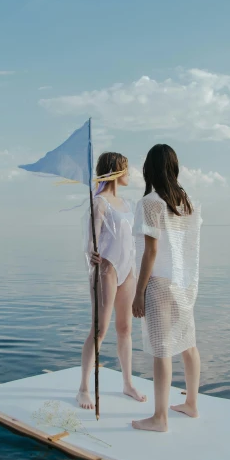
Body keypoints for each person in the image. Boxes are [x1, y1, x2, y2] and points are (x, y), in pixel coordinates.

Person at [132, 144, 202, 432]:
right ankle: (191, 405)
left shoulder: (150, 203)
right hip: (183, 283)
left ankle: (160, 417)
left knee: (161, 348)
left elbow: (150, 252)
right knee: (188, 344)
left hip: (158, 283)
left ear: (149, 168)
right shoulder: (186, 202)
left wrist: (138, 292)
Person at [77, 151, 147, 410]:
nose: (129, 174)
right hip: (108, 268)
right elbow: (91, 240)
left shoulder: (126, 204)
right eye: (126, 169)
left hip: (128, 269)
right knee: (99, 329)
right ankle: (84, 387)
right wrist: (91, 253)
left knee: (125, 328)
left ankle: (127, 383)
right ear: (115, 170)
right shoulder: (99, 202)